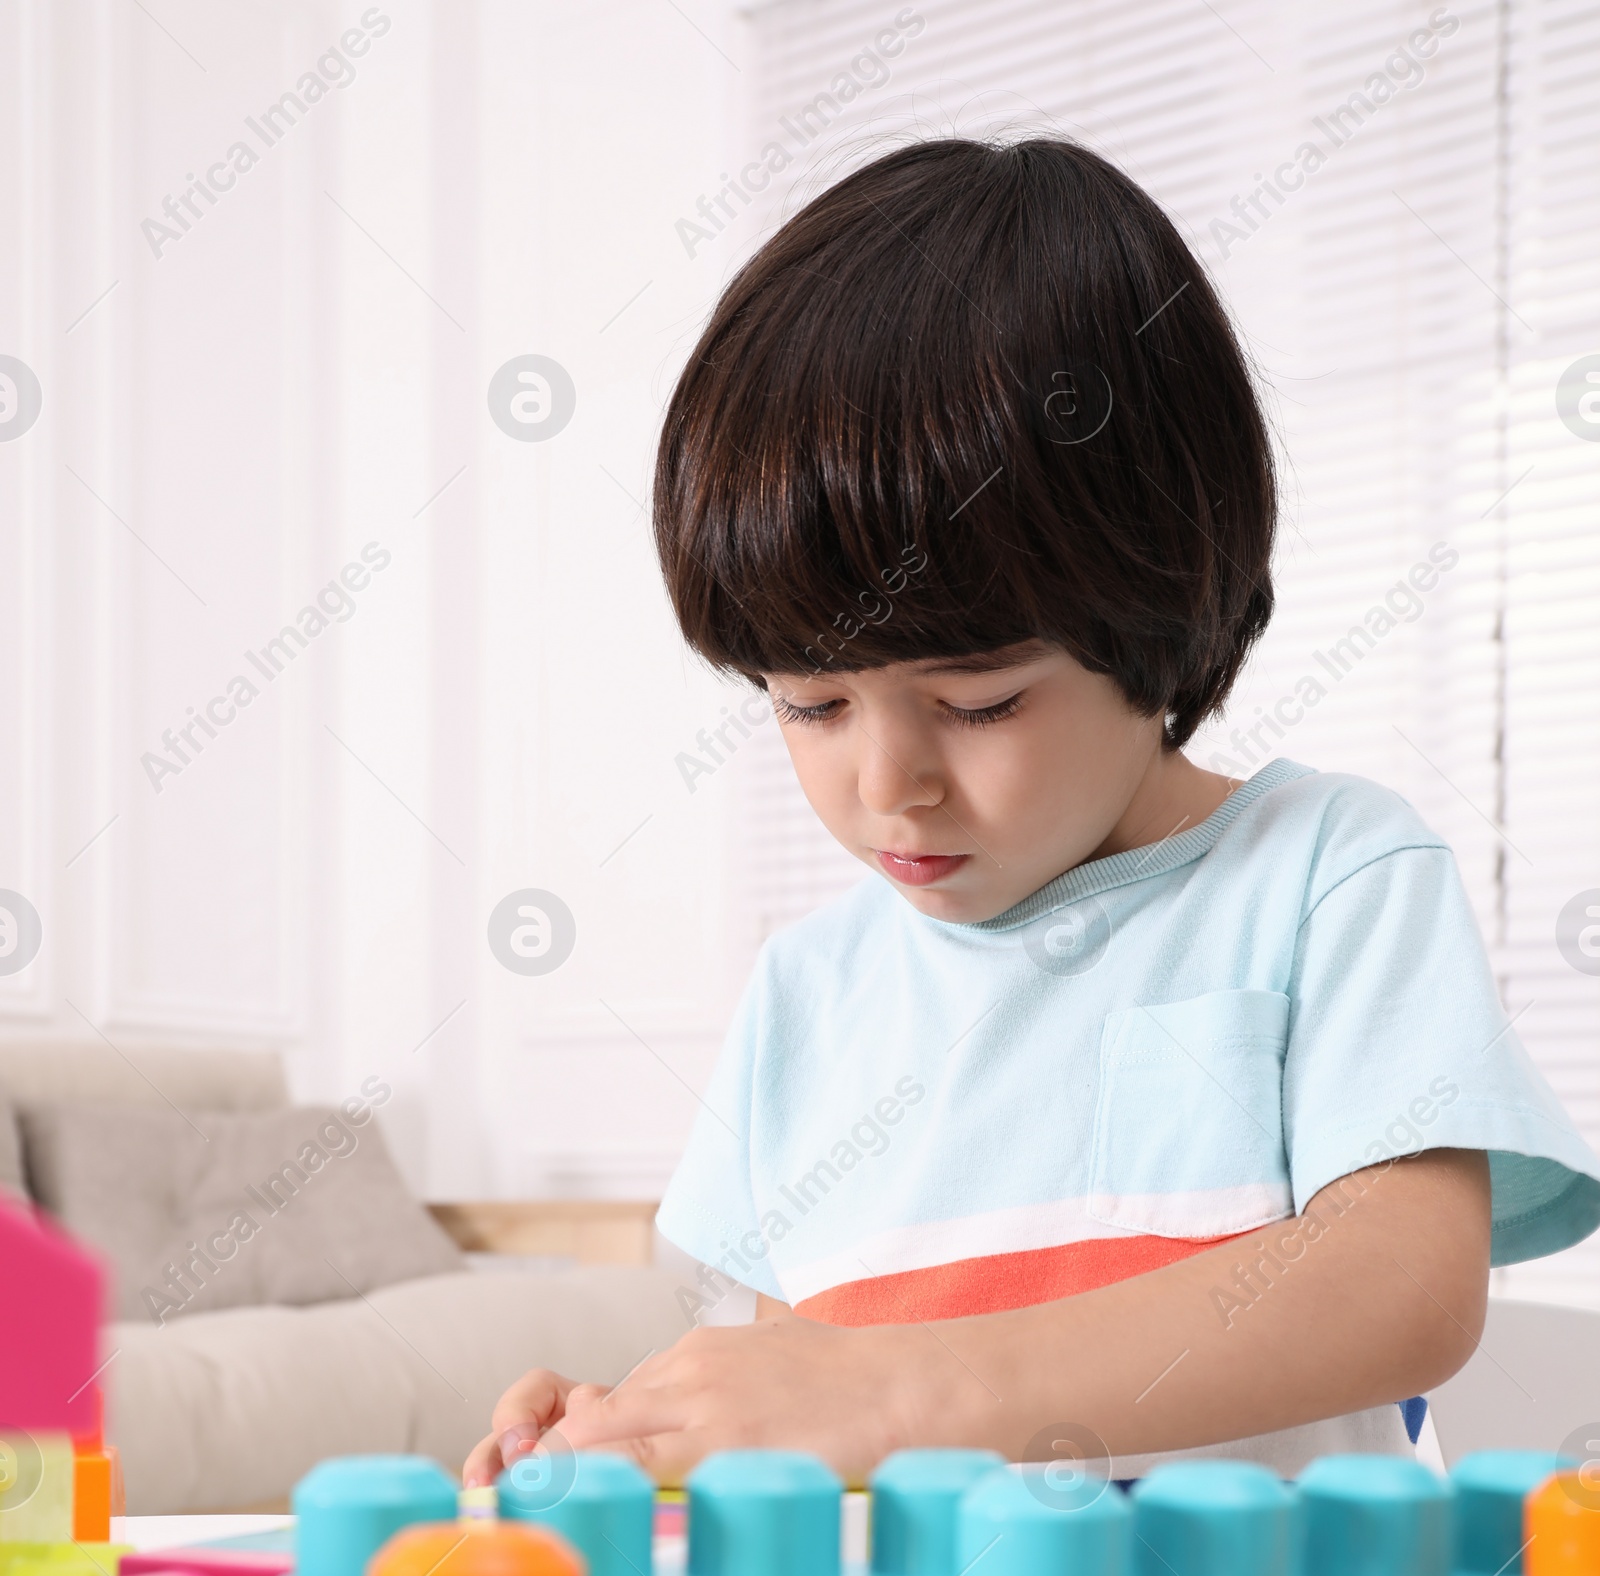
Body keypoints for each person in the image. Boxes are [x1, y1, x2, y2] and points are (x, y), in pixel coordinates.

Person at [464, 137, 1598, 1491]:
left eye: (981, 702)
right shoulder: (806, 998)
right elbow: (799, 1406)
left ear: (1163, 605)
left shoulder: (1328, 875)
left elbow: (1399, 1285)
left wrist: (901, 1389)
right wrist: (629, 1437)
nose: (888, 784)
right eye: (810, 706)